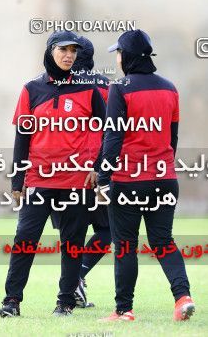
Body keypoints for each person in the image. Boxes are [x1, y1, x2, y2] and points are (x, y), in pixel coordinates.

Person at [0, 30, 106, 317]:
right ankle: (11, 301)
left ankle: (65, 303)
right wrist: (17, 181)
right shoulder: (31, 89)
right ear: (50, 52)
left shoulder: (88, 90)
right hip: (38, 181)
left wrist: (98, 167)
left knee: (71, 245)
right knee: (25, 239)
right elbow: (22, 137)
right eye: (63, 50)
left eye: (73, 51)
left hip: (75, 183)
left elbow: (110, 131)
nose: (69, 55)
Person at [97, 29, 195, 322]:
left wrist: (103, 177)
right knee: (163, 241)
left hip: (129, 179)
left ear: (127, 56)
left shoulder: (120, 87)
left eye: (118, 53)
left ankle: (124, 310)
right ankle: (183, 297)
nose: (116, 59)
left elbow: (113, 136)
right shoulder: (170, 87)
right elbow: (172, 137)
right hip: (165, 177)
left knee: (125, 245)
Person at [51, 35, 111, 308]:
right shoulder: (105, 86)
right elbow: (113, 130)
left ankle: (73, 283)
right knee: (107, 229)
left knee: (69, 236)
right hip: (93, 173)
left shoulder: (51, 83)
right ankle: (76, 279)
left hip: (57, 172)